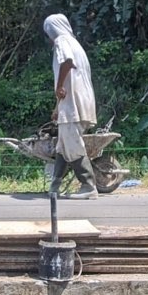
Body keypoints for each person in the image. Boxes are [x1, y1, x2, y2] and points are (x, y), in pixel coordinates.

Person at [43, 13, 98, 200]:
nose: (49, 35)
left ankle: (88, 185)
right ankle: (55, 186)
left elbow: (66, 63)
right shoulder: (76, 44)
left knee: (72, 143)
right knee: (63, 144)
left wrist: (58, 87)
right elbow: (73, 78)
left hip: (73, 102)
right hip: (77, 100)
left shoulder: (62, 41)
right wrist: (57, 108)